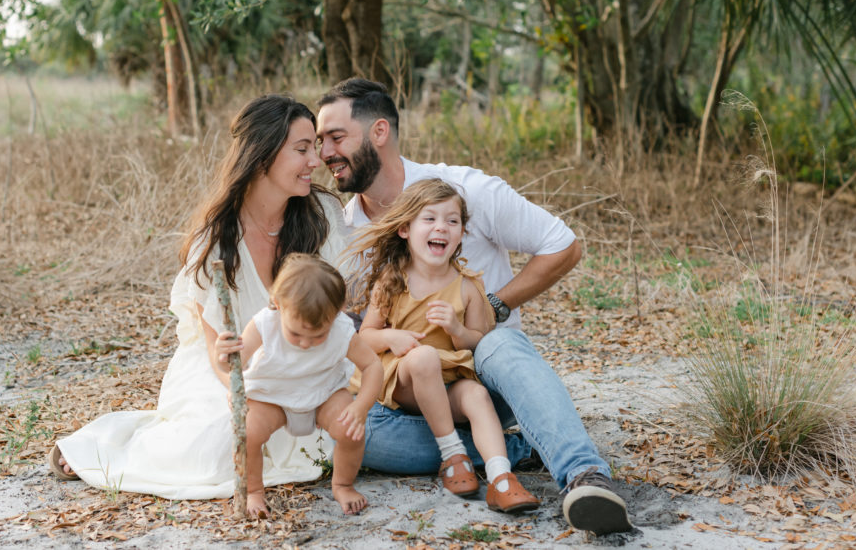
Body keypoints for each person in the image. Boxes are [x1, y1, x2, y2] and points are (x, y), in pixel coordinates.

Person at [316, 79, 632, 536]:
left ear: (378, 132)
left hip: (479, 373)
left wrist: (492, 308)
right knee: (350, 436)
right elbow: (356, 326)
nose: (324, 151)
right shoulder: (345, 229)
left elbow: (562, 245)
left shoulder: (465, 191)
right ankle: (511, 451)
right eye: (320, 141)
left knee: (499, 344)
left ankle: (585, 476)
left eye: (335, 137)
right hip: (405, 392)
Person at [48, 94, 354, 503]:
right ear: (262, 155)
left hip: (309, 360)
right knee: (216, 446)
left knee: (332, 437)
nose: (315, 161)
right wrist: (251, 390)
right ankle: (100, 445)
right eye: (301, 150)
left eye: (313, 149)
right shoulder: (216, 240)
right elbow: (217, 356)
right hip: (230, 372)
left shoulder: (322, 216)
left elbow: (341, 314)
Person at [348, 178, 540, 513]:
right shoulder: (393, 281)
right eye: (430, 219)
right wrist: (392, 337)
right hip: (403, 382)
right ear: (405, 229)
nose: (442, 227)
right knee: (423, 358)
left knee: (477, 395)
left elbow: (480, 342)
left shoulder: (468, 287)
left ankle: (501, 478)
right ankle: (453, 454)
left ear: (462, 233)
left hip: (449, 380)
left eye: (452, 221)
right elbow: (364, 337)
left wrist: (456, 329)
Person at [213, 253, 382, 517]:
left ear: (336, 314)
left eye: (318, 336)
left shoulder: (342, 329)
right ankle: (254, 490)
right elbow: (233, 366)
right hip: (272, 397)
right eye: (296, 334)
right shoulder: (263, 324)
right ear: (278, 305)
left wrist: (361, 406)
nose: (305, 343)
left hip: (324, 395)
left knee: (351, 431)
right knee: (247, 432)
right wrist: (223, 355)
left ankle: (343, 484)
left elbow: (373, 366)